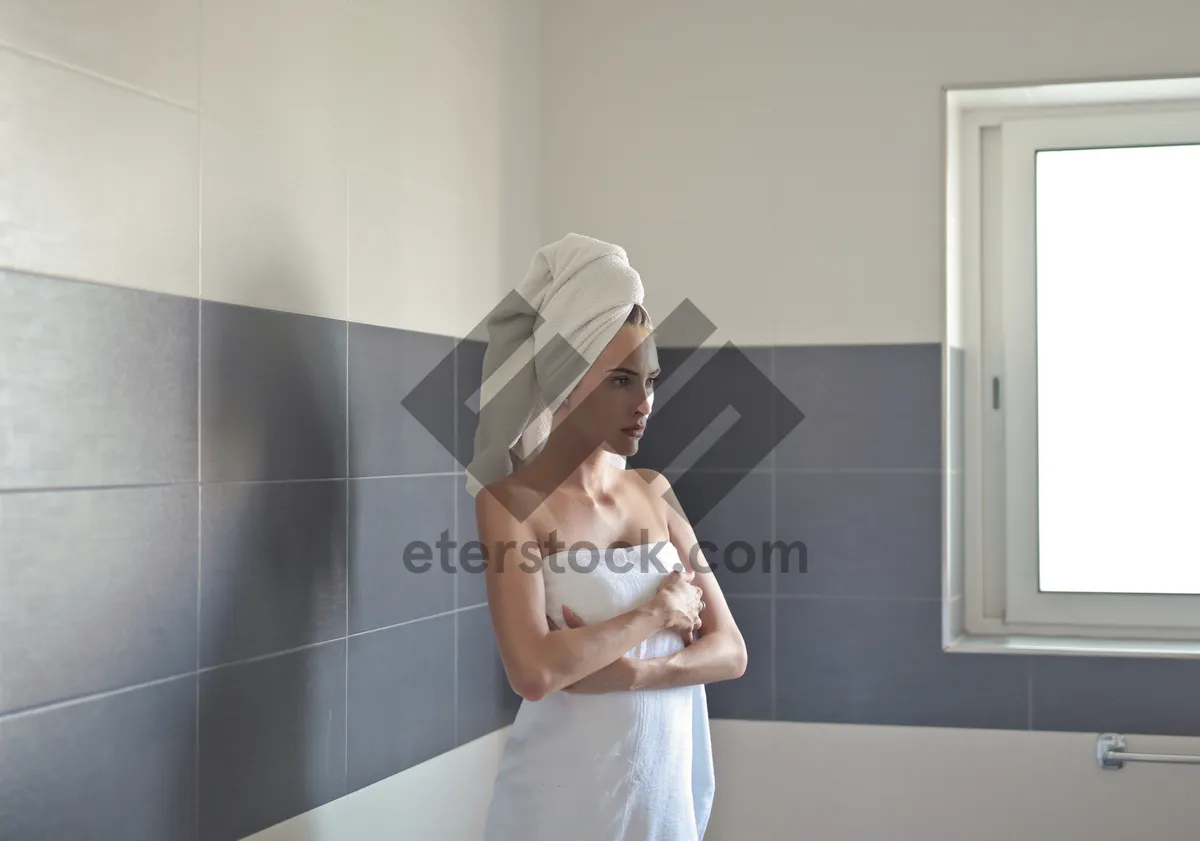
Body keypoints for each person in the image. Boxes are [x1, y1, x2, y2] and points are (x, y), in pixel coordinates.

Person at [467, 234, 748, 840]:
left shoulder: (655, 490)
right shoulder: (511, 506)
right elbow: (535, 673)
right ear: (567, 380)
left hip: (664, 804)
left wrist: (633, 675)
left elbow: (731, 652)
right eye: (621, 381)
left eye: (650, 380)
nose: (644, 402)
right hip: (561, 807)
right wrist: (659, 612)